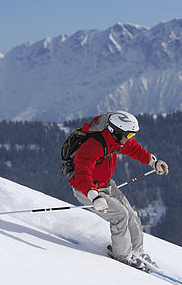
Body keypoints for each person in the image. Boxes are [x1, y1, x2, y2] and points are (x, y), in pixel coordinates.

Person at [68, 111, 169, 269]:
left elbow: (134, 149)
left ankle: (137, 252)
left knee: (130, 214)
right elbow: (82, 174)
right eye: (128, 135)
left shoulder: (116, 140)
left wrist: (153, 162)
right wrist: (94, 196)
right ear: (116, 132)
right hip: (87, 189)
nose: (130, 138)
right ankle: (123, 257)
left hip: (106, 184)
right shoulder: (94, 145)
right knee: (120, 215)